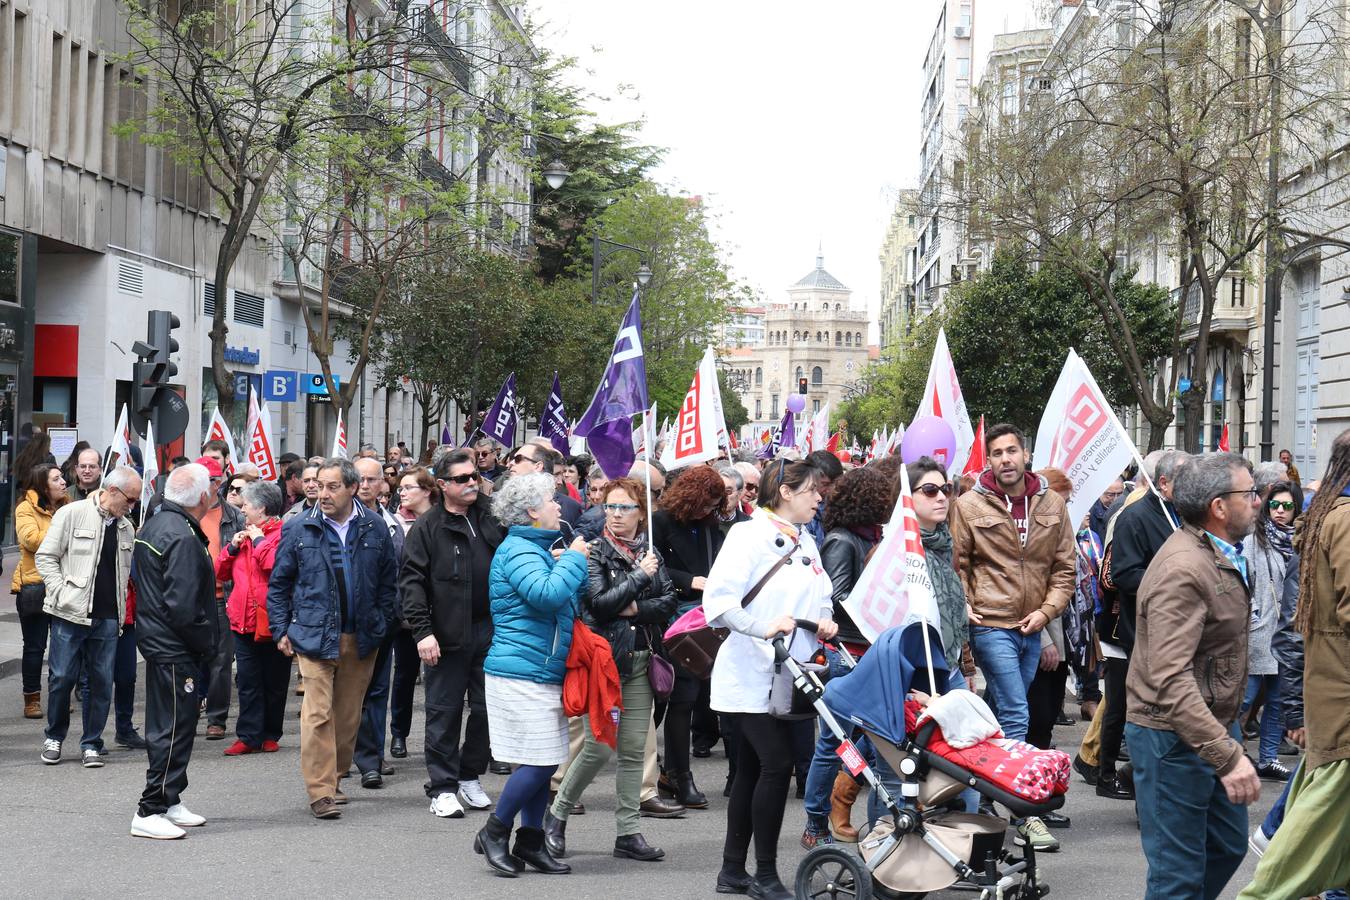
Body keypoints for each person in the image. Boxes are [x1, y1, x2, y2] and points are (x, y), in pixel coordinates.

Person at [1125, 452, 1261, 900]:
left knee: (1224, 846)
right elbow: (1169, 677)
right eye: (1250, 493)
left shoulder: (1217, 553)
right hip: (1171, 737)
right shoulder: (1183, 568)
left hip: (1210, 727)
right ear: (1219, 507)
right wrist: (1227, 755)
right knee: (1176, 876)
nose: (1259, 501)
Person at [703, 458, 837, 900]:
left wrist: (824, 619)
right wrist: (763, 628)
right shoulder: (747, 536)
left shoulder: (809, 543)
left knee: (753, 770)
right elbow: (718, 603)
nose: (819, 497)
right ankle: (763, 874)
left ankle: (731, 871)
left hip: (792, 676)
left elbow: (823, 598)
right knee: (776, 766)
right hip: (749, 674)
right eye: (812, 490)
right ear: (785, 492)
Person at [950, 423, 1073, 853]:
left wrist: (1045, 612)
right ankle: (1025, 815)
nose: (1005, 459)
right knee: (1018, 713)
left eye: (1011, 451)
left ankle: (982, 788)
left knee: (1000, 712)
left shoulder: (1052, 503)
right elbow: (957, 563)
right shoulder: (968, 504)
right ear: (989, 460)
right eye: (997, 453)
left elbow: (1064, 568)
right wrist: (964, 605)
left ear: (1025, 455)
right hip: (990, 623)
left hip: (1032, 625)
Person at [1238, 430, 1350, 899]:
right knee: (1327, 801)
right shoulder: (1345, 518)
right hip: (1343, 685)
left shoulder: (1331, 512)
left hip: (1333, 680)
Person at [545, 477, 675, 863]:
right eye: (610, 507)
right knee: (599, 747)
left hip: (640, 660)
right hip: (604, 663)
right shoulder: (594, 552)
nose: (616, 515)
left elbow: (669, 602)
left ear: (642, 512)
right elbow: (599, 605)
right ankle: (557, 816)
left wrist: (635, 606)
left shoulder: (649, 552)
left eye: (625, 508)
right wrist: (640, 578)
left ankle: (628, 832)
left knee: (634, 751)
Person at [266, 458, 399, 820]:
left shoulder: (374, 527)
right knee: (318, 714)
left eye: (332, 486)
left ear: (353, 488)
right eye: (320, 486)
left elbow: (389, 581)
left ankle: (336, 776)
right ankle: (320, 790)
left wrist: (383, 621)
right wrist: (281, 629)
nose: (322, 493)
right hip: (312, 635)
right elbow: (279, 584)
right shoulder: (299, 528)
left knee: (347, 716)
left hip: (361, 637)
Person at [474, 473, 589, 877]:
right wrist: (574, 559)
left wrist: (563, 561)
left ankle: (531, 842)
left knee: (541, 760)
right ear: (531, 511)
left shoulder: (532, 548)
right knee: (541, 764)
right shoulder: (521, 548)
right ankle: (494, 831)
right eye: (552, 500)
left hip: (536, 668)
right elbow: (546, 596)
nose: (560, 506)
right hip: (520, 671)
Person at [400, 451, 503, 818]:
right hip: (444, 636)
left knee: (488, 708)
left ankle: (469, 775)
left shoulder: (490, 515)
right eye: (462, 478)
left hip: (491, 631)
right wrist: (423, 633)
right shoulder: (428, 527)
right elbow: (411, 583)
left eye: (474, 476)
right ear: (442, 485)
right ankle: (442, 787)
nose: (472, 482)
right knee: (443, 712)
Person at [800, 464, 892, 848]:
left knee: (872, 741)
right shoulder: (843, 541)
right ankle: (816, 822)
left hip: (868, 653)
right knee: (835, 743)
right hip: (845, 654)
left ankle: (846, 806)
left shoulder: (870, 538)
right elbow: (834, 599)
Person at [1091, 450, 1188, 799]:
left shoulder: (1185, 515)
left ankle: (1135, 775)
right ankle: (1108, 773)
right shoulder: (1134, 517)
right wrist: (1176, 581)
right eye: (1184, 478)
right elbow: (1123, 574)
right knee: (1123, 706)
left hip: (1174, 631)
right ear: (1163, 483)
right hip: (1132, 629)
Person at [130, 464, 218, 839]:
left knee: (178, 725)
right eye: (212, 486)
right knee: (173, 728)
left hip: (162, 640)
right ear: (202, 497)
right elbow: (183, 605)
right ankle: (149, 809)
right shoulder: (179, 534)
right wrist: (206, 643)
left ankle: (169, 798)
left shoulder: (158, 523)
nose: (214, 490)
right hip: (173, 645)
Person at [35, 465, 141, 767]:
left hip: (108, 617)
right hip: (70, 613)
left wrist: (121, 614)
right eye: (130, 499)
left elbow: (123, 575)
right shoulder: (72, 513)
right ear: (112, 491)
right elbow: (46, 556)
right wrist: (60, 593)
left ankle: (92, 742)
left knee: (100, 682)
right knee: (62, 678)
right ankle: (54, 736)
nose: (131, 506)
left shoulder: (126, 527)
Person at [651, 464, 730, 813]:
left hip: (708, 618)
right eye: (705, 503)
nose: (708, 510)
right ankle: (678, 773)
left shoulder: (713, 526)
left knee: (695, 695)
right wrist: (690, 580)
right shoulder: (662, 522)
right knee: (680, 697)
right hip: (674, 617)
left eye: (714, 504)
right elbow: (652, 565)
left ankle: (674, 771)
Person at [215, 480, 290, 756]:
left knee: (274, 680)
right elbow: (220, 573)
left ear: (262, 508)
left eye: (246, 504)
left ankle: (270, 732)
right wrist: (232, 549)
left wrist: (258, 540)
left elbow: (274, 566)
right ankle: (248, 735)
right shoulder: (242, 533)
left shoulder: (283, 533)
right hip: (242, 619)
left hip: (272, 619)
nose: (242, 508)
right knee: (247, 680)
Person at [1239, 480, 1301, 782]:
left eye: (1287, 506)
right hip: (1258, 630)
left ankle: (1268, 759)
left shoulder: (1300, 540)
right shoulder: (1254, 539)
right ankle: (1231, 755)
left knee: (1277, 701)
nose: (1279, 511)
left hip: (1287, 632)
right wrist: (1251, 616)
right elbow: (1244, 579)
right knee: (1244, 699)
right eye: (1274, 504)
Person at [351, 456, 407, 788]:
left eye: (373, 480)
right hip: (345, 624)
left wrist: (391, 615)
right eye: (361, 479)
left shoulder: (390, 524)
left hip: (382, 622)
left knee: (377, 691)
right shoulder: (335, 520)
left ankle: (371, 757)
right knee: (346, 694)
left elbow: (398, 574)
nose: (367, 485)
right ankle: (347, 753)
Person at [13, 462, 69, 719]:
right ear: (43, 484)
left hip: (64, 584)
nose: (63, 483)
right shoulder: (25, 508)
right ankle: (31, 698)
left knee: (63, 645)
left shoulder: (68, 506)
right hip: (35, 585)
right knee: (35, 647)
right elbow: (31, 540)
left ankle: (59, 696)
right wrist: (61, 527)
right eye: (57, 479)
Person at [198, 457, 245, 742]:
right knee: (190, 659)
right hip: (191, 598)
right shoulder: (181, 512)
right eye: (205, 480)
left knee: (221, 661)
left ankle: (216, 718)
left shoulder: (234, 515)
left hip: (222, 597)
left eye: (215, 480)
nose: (211, 486)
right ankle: (188, 711)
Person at [802, 449, 843, 545]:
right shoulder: (799, 512)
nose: (830, 490)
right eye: (825, 484)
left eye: (835, 484)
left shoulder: (840, 507)